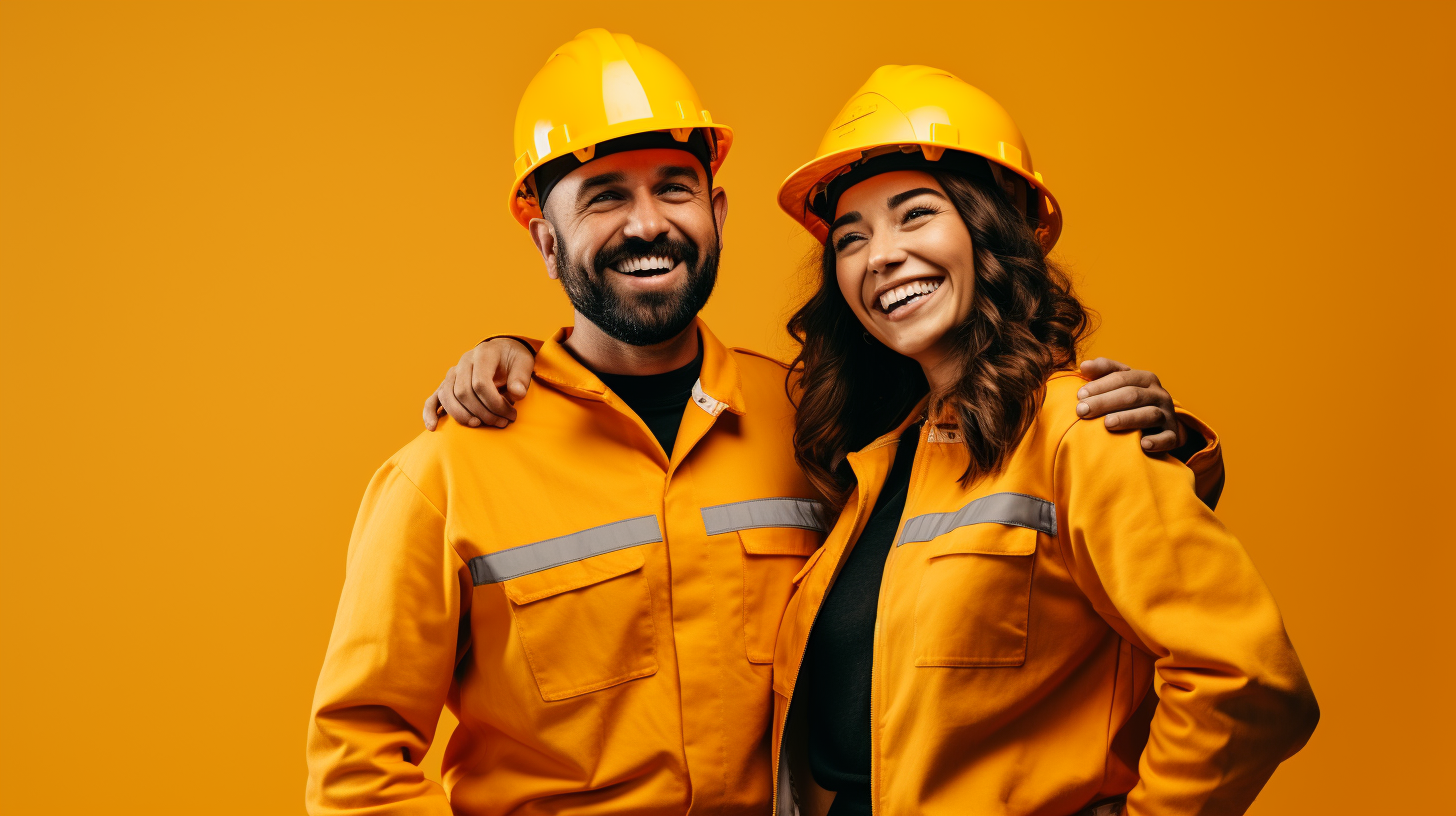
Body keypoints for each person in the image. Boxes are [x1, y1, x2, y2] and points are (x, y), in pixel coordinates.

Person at [310, 31, 1219, 816]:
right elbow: (357, 757)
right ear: (545, 241)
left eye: (674, 187)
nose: (646, 224)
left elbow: (1008, 487)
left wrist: (1166, 441)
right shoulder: (446, 474)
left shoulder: (820, 419)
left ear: (716, 212)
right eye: (602, 198)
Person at [761, 66, 1316, 816]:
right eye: (851, 238)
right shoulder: (877, 459)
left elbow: (1249, 679)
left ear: (994, 228)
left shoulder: (1081, 431)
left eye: (915, 215)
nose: (878, 255)